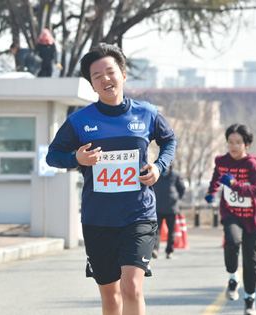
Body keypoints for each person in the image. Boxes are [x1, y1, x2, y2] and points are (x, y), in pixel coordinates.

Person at [46, 43, 176, 315]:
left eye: (111, 71)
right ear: (92, 85)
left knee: (131, 287)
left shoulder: (147, 113)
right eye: (97, 76)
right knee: (111, 297)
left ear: (123, 75)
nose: (105, 79)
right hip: (98, 219)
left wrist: (158, 167)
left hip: (138, 214)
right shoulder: (80, 120)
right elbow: (52, 156)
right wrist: (76, 160)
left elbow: (169, 140)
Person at [204, 123, 256, 315]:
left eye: (238, 143)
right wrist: (211, 193)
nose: (233, 146)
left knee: (251, 259)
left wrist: (235, 185)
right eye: (230, 142)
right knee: (232, 240)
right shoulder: (221, 161)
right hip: (230, 212)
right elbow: (216, 178)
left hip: (250, 217)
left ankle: (250, 299)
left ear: (247, 144)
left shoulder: (252, 164)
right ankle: (232, 278)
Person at [152, 165, 185, 259]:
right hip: (158, 207)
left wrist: (177, 200)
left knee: (171, 231)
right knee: (156, 230)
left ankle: (169, 251)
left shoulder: (176, 175)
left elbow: (182, 188)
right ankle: (155, 249)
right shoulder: (156, 173)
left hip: (172, 207)